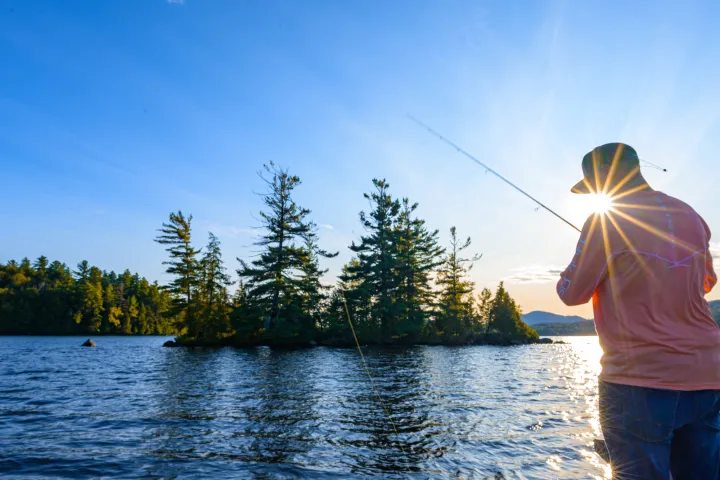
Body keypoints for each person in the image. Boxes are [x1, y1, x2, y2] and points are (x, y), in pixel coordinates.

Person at [556, 143, 720, 480]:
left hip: (639, 382)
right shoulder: (692, 216)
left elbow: (572, 294)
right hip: (707, 375)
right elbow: (706, 284)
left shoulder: (605, 221)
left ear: (601, 182)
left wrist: (570, 272)